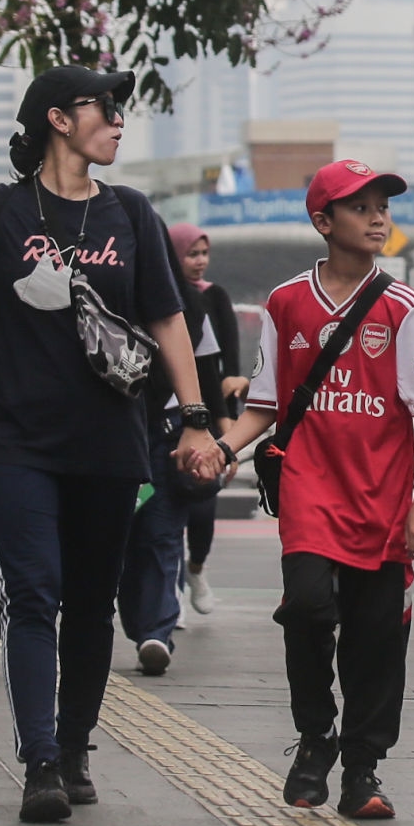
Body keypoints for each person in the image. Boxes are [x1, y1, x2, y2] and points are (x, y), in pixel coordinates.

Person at [0, 65, 223, 825]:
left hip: (112, 443)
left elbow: (167, 318)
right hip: (15, 443)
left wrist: (196, 416)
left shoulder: (131, 213)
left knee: (93, 603)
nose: (118, 119)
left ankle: (75, 748)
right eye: (104, 106)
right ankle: (40, 760)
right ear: (58, 120)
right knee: (32, 593)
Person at [217, 162, 414, 820]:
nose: (379, 218)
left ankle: (362, 769)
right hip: (309, 492)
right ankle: (315, 734)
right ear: (324, 221)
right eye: (362, 208)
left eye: (383, 207)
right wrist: (222, 447)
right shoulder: (286, 302)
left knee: (377, 639)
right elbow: (265, 403)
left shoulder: (404, 307)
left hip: (383, 501)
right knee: (308, 608)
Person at [118, 227, 232, 672]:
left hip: (168, 435)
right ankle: (140, 622)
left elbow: (207, 372)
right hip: (112, 435)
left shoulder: (191, 306)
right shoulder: (108, 296)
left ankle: (156, 630)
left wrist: (217, 434)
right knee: (121, 536)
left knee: (162, 533)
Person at [169, 223, 243, 614]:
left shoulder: (213, 296)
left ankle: (196, 569)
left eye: (203, 253)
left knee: (201, 506)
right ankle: (168, 593)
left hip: (205, 414)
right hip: (161, 416)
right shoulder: (154, 293)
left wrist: (228, 429)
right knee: (159, 511)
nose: (199, 262)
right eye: (190, 254)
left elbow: (221, 367)